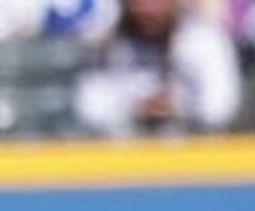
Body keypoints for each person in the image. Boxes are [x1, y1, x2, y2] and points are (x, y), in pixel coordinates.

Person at [72, 0, 242, 131]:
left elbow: (222, 106)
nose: (147, 10)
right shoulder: (107, 44)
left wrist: (176, 108)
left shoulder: (204, 39)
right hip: (122, 151)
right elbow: (89, 107)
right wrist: (135, 108)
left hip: (196, 150)